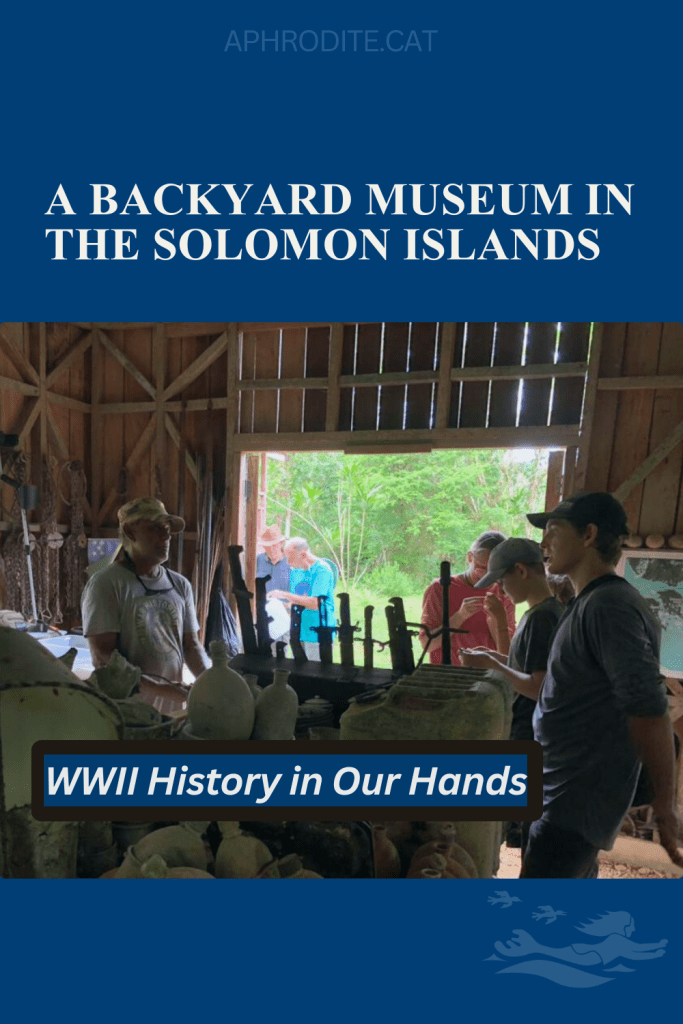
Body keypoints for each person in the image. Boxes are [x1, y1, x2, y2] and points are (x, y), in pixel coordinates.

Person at [522, 491, 683, 877]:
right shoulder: (588, 601)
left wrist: (665, 804)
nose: (543, 543)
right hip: (563, 795)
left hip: (574, 805)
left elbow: (648, 709)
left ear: (589, 535)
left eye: (554, 531)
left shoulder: (610, 607)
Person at [459, 537, 564, 850]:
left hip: (531, 734)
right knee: (524, 833)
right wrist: (492, 657)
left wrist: (490, 662)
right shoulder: (541, 612)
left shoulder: (543, 618)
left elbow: (538, 687)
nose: (501, 590)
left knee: (530, 835)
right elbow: (526, 667)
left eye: (502, 580)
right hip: (527, 732)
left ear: (521, 571)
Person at [81, 497, 210, 691]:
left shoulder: (179, 584)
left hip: (170, 711)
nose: (166, 537)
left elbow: (190, 645)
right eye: (155, 528)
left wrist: (210, 679)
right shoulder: (106, 584)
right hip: (127, 712)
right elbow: (103, 656)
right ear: (130, 531)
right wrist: (161, 689)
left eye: (167, 529)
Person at [419, 531, 515, 666]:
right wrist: (460, 616)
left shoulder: (503, 592)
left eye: (494, 572)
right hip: (446, 676)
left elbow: (509, 655)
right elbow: (427, 644)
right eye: (482, 568)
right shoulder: (439, 588)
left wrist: (496, 621)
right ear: (470, 557)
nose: (486, 576)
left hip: (488, 677)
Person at [270, 537, 337, 661]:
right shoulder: (296, 572)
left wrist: (284, 595)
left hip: (318, 633)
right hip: (298, 632)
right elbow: (300, 598)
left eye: (290, 557)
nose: (287, 562)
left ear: (303, 554)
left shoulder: (322, 570)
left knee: (316, 674)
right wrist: (286, 605)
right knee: (298, 675)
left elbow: (316, 603)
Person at [255, 525, 291, 594]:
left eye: (274, 545)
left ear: (281, 543)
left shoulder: (292, 562)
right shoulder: (258, 561)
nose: (271, 549)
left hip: (285, 604)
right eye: (268, 546)